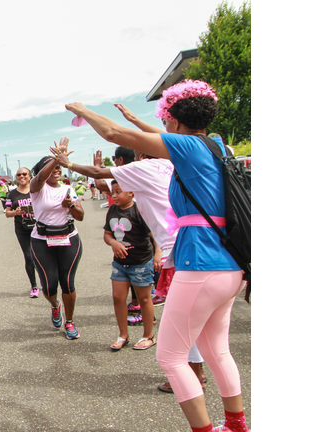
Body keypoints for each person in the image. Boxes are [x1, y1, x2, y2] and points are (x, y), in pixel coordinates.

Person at [64, 79, 249, 432]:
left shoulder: (186, 147)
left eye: (166, 123)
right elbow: (157, 137)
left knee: (171, 356)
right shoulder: (217, 146)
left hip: (201, 262)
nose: (163, 130)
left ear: (176, 124)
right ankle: (237, 425)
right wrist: (139, 122)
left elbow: (113, 134)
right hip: (231, 264)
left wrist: (82, 110)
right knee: (217, 350)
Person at [29, 138, 85, 340]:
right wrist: (55, 158)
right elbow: (40, 177)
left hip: (68, 239)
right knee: (50, 285)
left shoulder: (68, 189)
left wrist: (70, 204)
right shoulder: (37, 188)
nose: (56, 169)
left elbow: (80, 216)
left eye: (58, 166)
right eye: (51, 166)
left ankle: (69, 321)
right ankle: (55, 305)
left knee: (68, 283)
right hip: (42, 241)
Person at [103, 180, 160, 351]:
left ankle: (149, 335)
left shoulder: (139, 210)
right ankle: (123, 335)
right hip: (120, 263)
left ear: (131, 193)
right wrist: (113, 242)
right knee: (118, 298)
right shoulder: (112, 209)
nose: (114, 195)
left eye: (118, 191)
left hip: (141, 262)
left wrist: (158, 254)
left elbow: (155, 235)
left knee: (144, 299)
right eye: (113, 192)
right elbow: (107, 234)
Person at [3, 167, 40, 298]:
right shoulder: (11, 194)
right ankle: (34, 286)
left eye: (25, 174)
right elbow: (7, 213)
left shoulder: (36, 190)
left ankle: (47, 280)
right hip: (22, 229)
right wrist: (15, 212)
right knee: (29, 256)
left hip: (39, 228)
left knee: (41, 256)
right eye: (19, 174)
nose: (22, 176)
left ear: (30, 176)